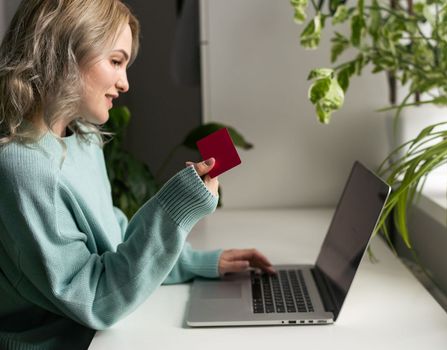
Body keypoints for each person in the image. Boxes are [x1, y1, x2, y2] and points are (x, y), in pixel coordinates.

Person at [0, 1, 274, 349]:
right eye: (115, 61)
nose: (125, 83)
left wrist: (201, 262)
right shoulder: (22, 168)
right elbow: (96, 300)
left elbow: (116, 243)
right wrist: (176, 209)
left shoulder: (83, 139)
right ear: (63, 50)